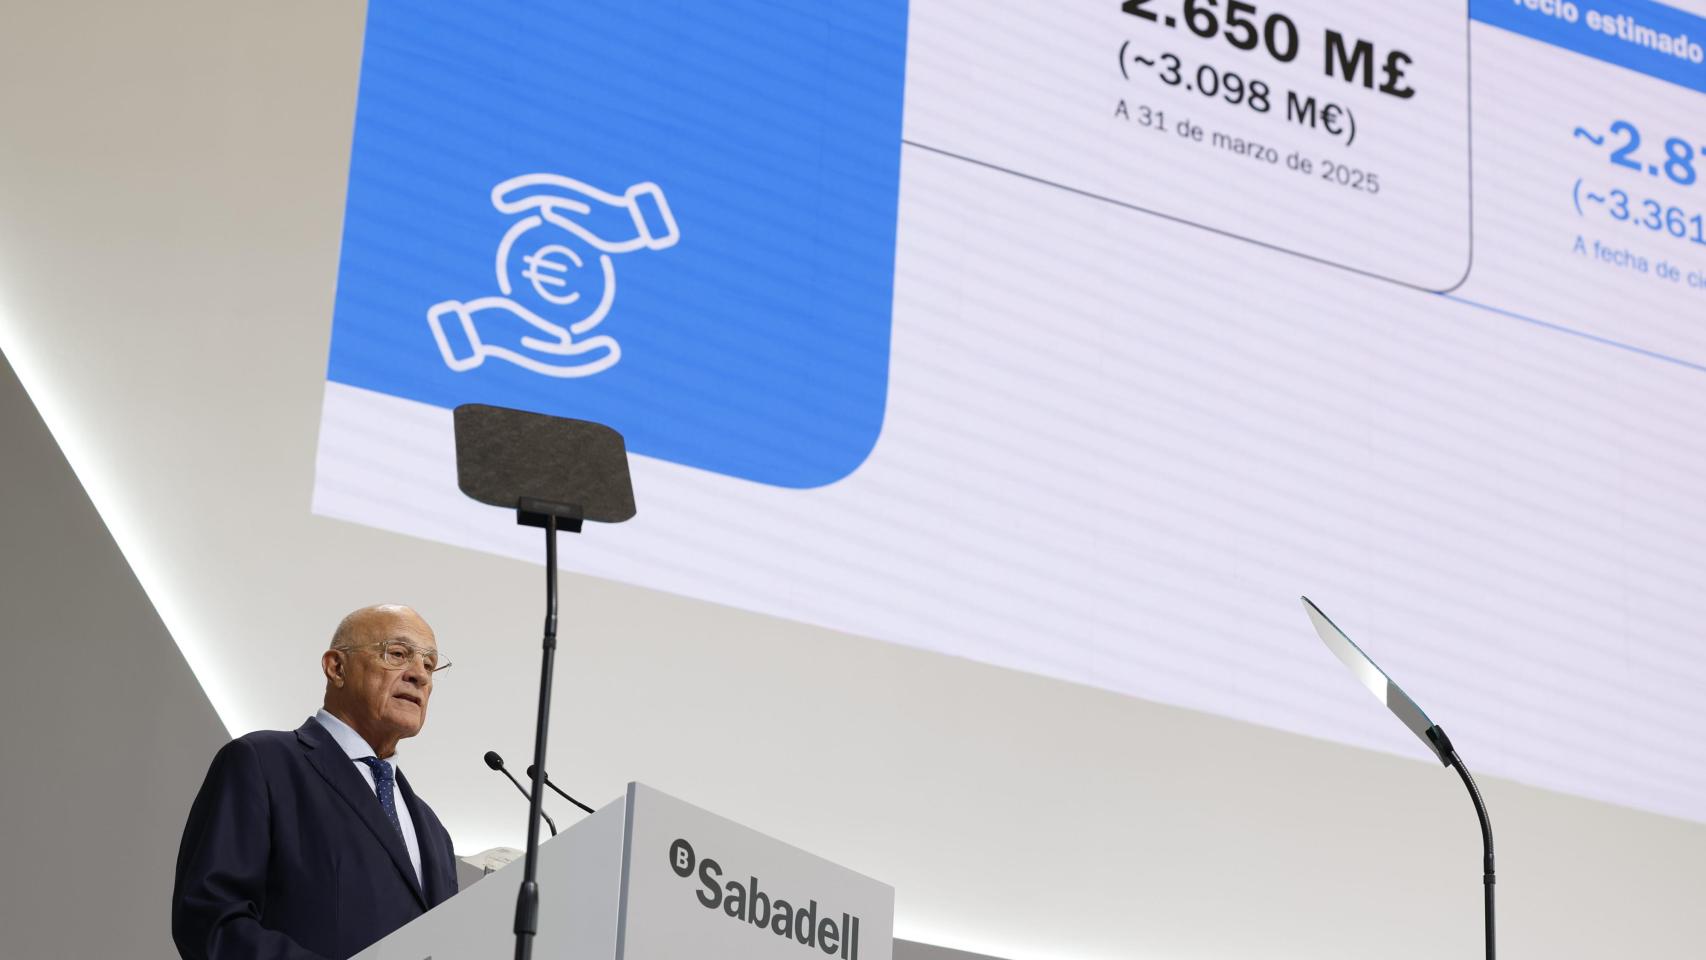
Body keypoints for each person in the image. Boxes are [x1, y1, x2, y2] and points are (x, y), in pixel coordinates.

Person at [172, 604, 459, 960]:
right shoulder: (262, 763)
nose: (420, 675)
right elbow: (211, 920)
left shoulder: (434, 831)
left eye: (429, 665)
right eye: (398, 654)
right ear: (336, 667)